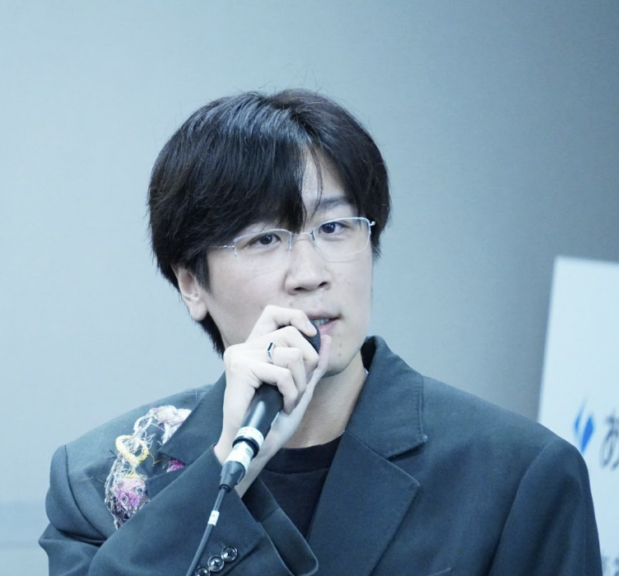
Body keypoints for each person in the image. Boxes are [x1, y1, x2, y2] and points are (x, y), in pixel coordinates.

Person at [39, 90, 601, 576]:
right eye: (265, 239)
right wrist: (225, 468)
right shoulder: (103, 477)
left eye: (334, 227)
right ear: (191, 283)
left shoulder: (517, 474)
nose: (310, 274)